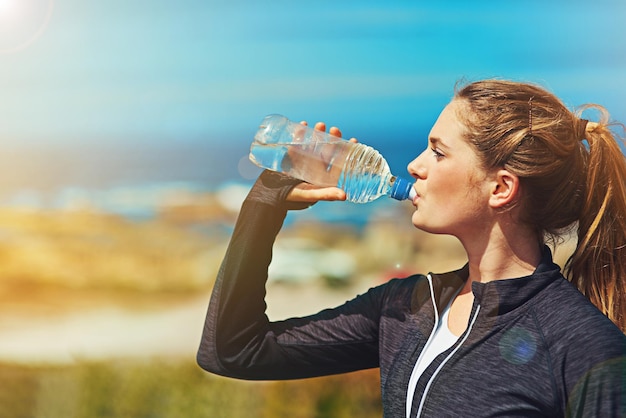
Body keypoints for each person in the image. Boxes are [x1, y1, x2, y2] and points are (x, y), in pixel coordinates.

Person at [197, 79, 626, 417]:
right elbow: (232, 351)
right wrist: (266, 202)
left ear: (500, 187)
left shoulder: (583, 346)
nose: (415, 166)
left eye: (438, 153)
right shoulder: (405, 308)